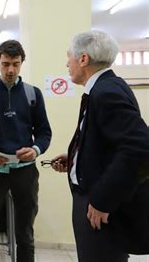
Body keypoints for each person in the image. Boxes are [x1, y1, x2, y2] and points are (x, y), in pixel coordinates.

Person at [51, 31, 149, 261]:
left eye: (69, 56)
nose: (67, 63)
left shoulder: (106, 92)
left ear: (83, 59)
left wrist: (102, 201)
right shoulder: (105, 87)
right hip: (95, 196)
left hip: (100, 206)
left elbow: (139, 149)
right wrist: (78, 157)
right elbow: (111, 143)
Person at [0, 40, 52, 262]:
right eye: (5, 64)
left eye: (15, 64)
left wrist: (35, 150)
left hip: (25, 173)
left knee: (25, 235)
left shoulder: (33, 94)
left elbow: (44, 133)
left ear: (22, 63)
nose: (10, 70)